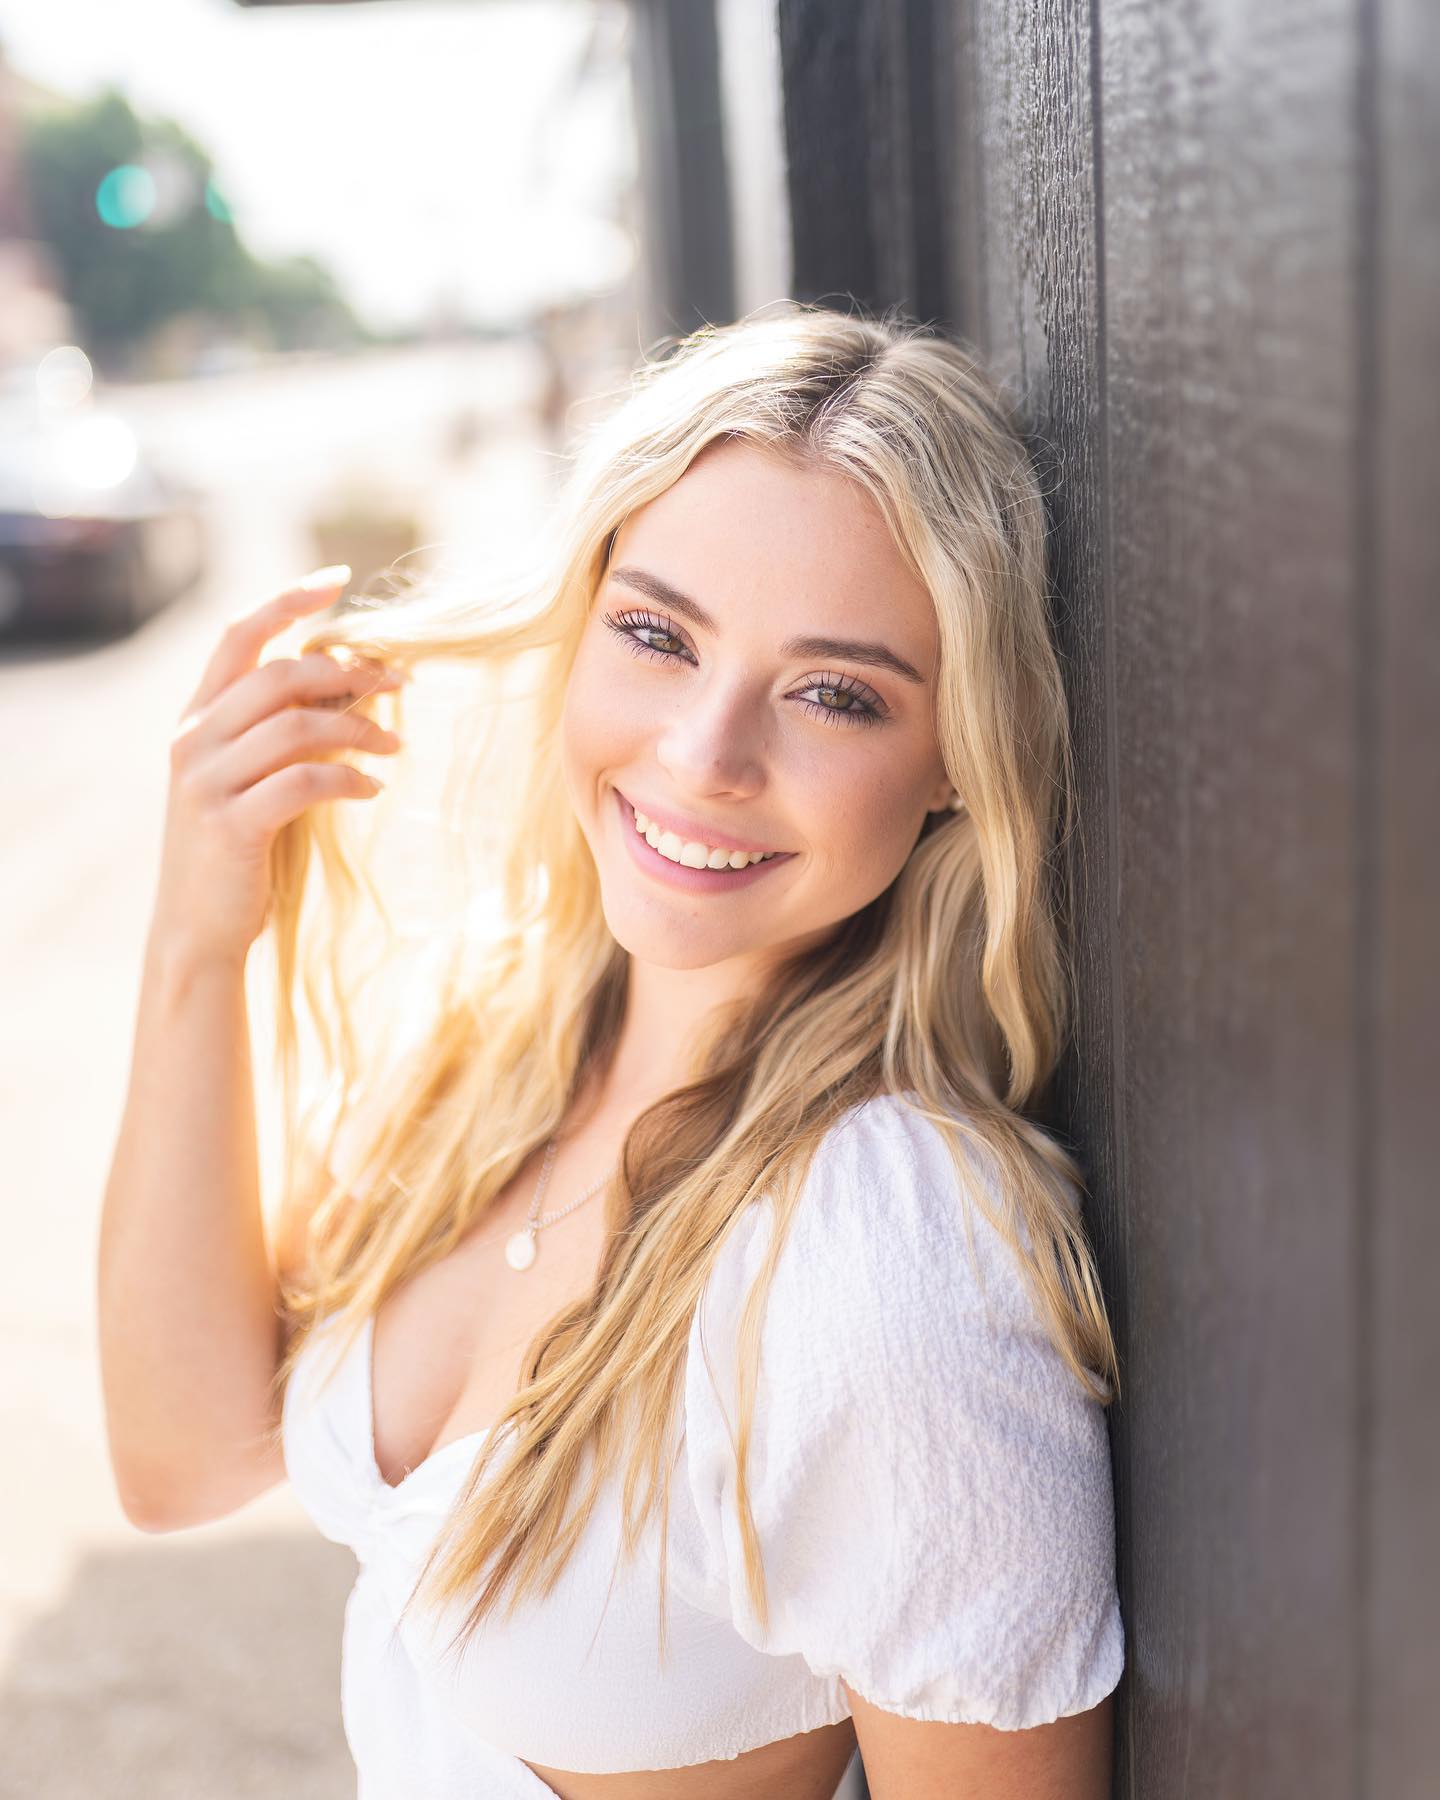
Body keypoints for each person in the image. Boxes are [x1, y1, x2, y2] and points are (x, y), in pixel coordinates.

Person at [99, 301, 1125, 1800]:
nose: (705, 758)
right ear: (578, 627)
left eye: (835, 694)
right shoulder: (512, 1033)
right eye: (657, 633)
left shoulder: (878, 1262)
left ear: (960, 760)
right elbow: (182, 1460)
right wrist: (199, 939)